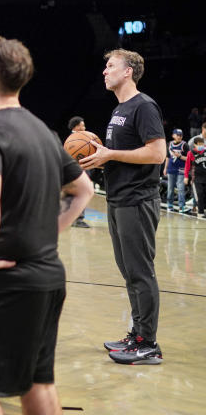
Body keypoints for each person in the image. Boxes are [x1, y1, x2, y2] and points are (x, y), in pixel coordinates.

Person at [0, 34, 93, 415]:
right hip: (48, 276)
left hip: (3, 282)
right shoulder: (46, 133)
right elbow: (84, 190)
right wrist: (49, 234)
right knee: (38, 383)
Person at [79, 48, 166, 365]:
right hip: (118, 198)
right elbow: (122, 154)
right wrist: (100, 156)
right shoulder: (120, 110)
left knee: (141, 272)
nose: (104, 71)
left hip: (137, 200)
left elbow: (157, 154)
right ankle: (137, 333)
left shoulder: (144, 107)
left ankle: (148, 344)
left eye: (110, 65)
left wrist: (110, 155)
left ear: (128, 71)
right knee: (129, 272)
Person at [66, 116, 91, 228]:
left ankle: (73, 219)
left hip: (75, 171)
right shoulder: (77, 140)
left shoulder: (72, 139)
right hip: (78, 170)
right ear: (76, 126)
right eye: (83, 125)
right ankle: (78, 219)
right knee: (81, 194)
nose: (84, 127)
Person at [163, 129, 188, 213]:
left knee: (181, 188)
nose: (179, 136)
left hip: (181, 169)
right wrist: (165, 168)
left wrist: (180, 156)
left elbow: (188, 159)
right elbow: (167, 157)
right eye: (178, 135)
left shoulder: (185, 145)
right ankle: (169, 205)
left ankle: (182, 206)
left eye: (181, 135)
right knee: (170, 188)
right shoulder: (169, 144)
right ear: (173, 135)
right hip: (171, 169)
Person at [184, 137, 206, 217]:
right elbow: (187, 166)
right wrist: (186, 176)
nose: (201, 146)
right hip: (196, 178)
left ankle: (202, 210)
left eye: (202, 144)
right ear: (195, 145)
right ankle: (200, 212)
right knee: (199, 194)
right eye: (199, 144)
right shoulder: (191, 153)